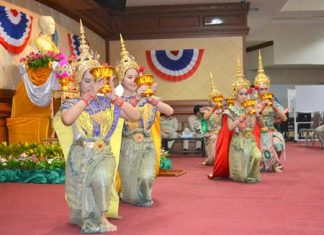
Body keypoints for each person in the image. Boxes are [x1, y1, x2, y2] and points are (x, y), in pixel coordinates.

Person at [60, 21, 140, 234]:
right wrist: (87, 97)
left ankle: (101, 216)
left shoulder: (108, 102)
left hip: (103, 153)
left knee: (103, 180)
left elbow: (135, 115)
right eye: (87, 81)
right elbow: (68, 119)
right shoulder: (71, 103)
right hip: (81, 154)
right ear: (79, 81)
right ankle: (94, 219)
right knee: (85, 189)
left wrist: (114, 96)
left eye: (94, 80)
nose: (91, 84)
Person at [116, 35, 174, 207]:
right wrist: (138, 96)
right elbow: (128, 114)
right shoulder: (117, 101)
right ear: (122, 79)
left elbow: (170, 111)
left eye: (136, 77)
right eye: (129, 77)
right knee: (130, 188)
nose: (133, 81)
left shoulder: (148, 98)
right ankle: (129, 195)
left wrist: (151, 98)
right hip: (127, 146)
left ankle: (144, 196)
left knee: (146, 177)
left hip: (147, 145)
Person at [254, 50, 287, 172]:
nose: (263, 91)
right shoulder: (253, 103)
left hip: (271, 131)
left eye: (265, 89)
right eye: (261, 89)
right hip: (257, 131)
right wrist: (261, 107)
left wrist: (273, 106)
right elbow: (253, 118)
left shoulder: (273, 101)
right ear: (257, 89)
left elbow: (284, 119)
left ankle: (272, 164)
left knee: (278, 143)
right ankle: (266, 164)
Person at [202, 87, 223, 166]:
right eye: (214, 100)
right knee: (214, 137)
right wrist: (213, 109)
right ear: (211, 101)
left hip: (221, 132)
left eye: (218, 100)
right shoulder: (207, 110)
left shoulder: (223, 110)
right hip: (211, 133)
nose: (217, 102)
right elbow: (205, 118)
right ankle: (213, 159)